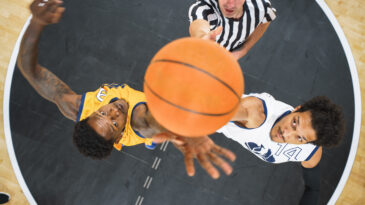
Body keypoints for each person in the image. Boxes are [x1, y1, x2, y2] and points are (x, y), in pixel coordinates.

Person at [17, 0, 236, 179]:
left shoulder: (76, 108)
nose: (114, 111)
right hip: (158, 119)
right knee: (163, 123)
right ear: (120, 137)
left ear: (90, 113)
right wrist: (186, 132)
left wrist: (36, 22)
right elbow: (152, 121)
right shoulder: (137, 123)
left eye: (102, 113)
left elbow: (30, 71)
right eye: (114, 123)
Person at [217, 92, 345, 204]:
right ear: (296, 109)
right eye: (294, 122)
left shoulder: (309, 152)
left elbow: (313, 188)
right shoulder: (254, 113)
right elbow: (206, 108)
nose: (286, 133)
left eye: (299, 138)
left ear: (308, 143)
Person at [188, 0, 276, 60]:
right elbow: (199, 26)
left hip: (226, 60)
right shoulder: (203, 7)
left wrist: (243, 50)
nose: (230, 5)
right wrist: (202, 38)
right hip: (201, 58)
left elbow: (266, 20)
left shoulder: (262, 6)